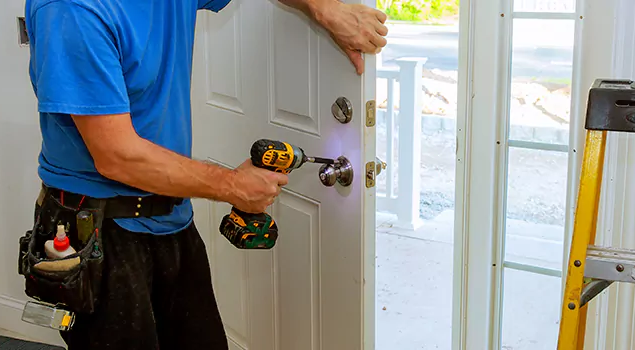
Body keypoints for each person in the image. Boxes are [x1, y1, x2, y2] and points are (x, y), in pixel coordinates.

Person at [22, 0, 388, 348]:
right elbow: (117, 156)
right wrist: (232, 186)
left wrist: (326, 9)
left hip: (170, 217)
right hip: (101, 232)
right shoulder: (70, 9)